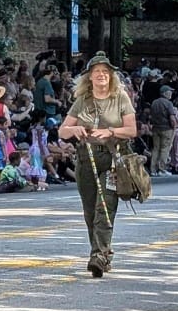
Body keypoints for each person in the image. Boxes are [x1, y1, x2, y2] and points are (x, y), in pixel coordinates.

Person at [59, 52, 137, 278]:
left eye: (105, 72)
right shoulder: (82, 100)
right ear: (89, 77)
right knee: (89, 210)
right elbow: (62, 131)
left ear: (111, 76)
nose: (101, 75)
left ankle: (99, 256)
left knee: (105, 206)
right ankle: (103, 251)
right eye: (97, 72)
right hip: (86, 158)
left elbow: (132, 130)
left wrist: (111, 131)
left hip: (112, 158)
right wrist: (74, 130)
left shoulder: (120, 97)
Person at [149, 85, 178, 176]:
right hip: (167, 129)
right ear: (164, 93)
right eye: (169, 92)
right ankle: (162, 169)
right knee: (165, 149)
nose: (171, 94)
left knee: (156, 149)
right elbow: (172, 118)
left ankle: (153, 169)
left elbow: (151, 116)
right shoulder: (168, 103)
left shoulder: (154, 102)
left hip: (155, 128)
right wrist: (174, 126)